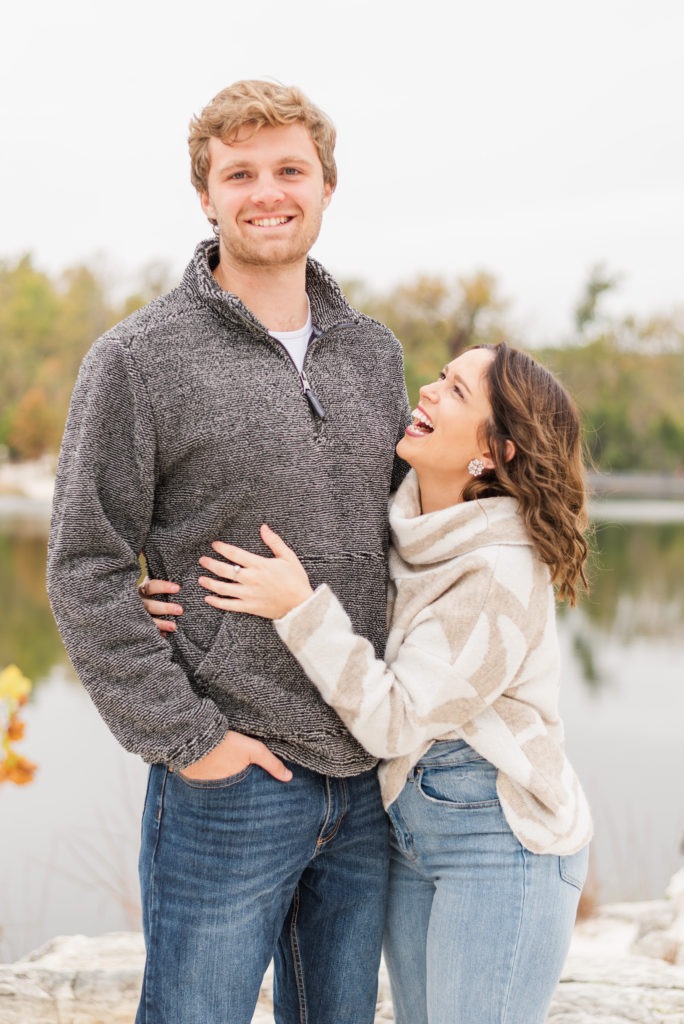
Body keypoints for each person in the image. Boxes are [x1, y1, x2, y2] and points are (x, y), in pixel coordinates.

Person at [47, 80, 411, 1024]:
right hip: (230, 782)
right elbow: (86, 563)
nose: (267, 191)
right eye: (238, 172)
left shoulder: (375, 354)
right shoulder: (138, 358)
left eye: (290, 169)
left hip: (367, 777)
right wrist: (191, 739)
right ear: (205, 196)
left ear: (328, 186)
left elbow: (410, 537)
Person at [144, 342, 594, 1024]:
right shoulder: (407, 513)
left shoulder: (498, 570)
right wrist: (163, 599)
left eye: (457, 393)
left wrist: (299, 607)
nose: (430, 392)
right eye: (441, 377)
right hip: (409, 829)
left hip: (502, 841)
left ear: (495, 453)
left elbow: (393, 719)